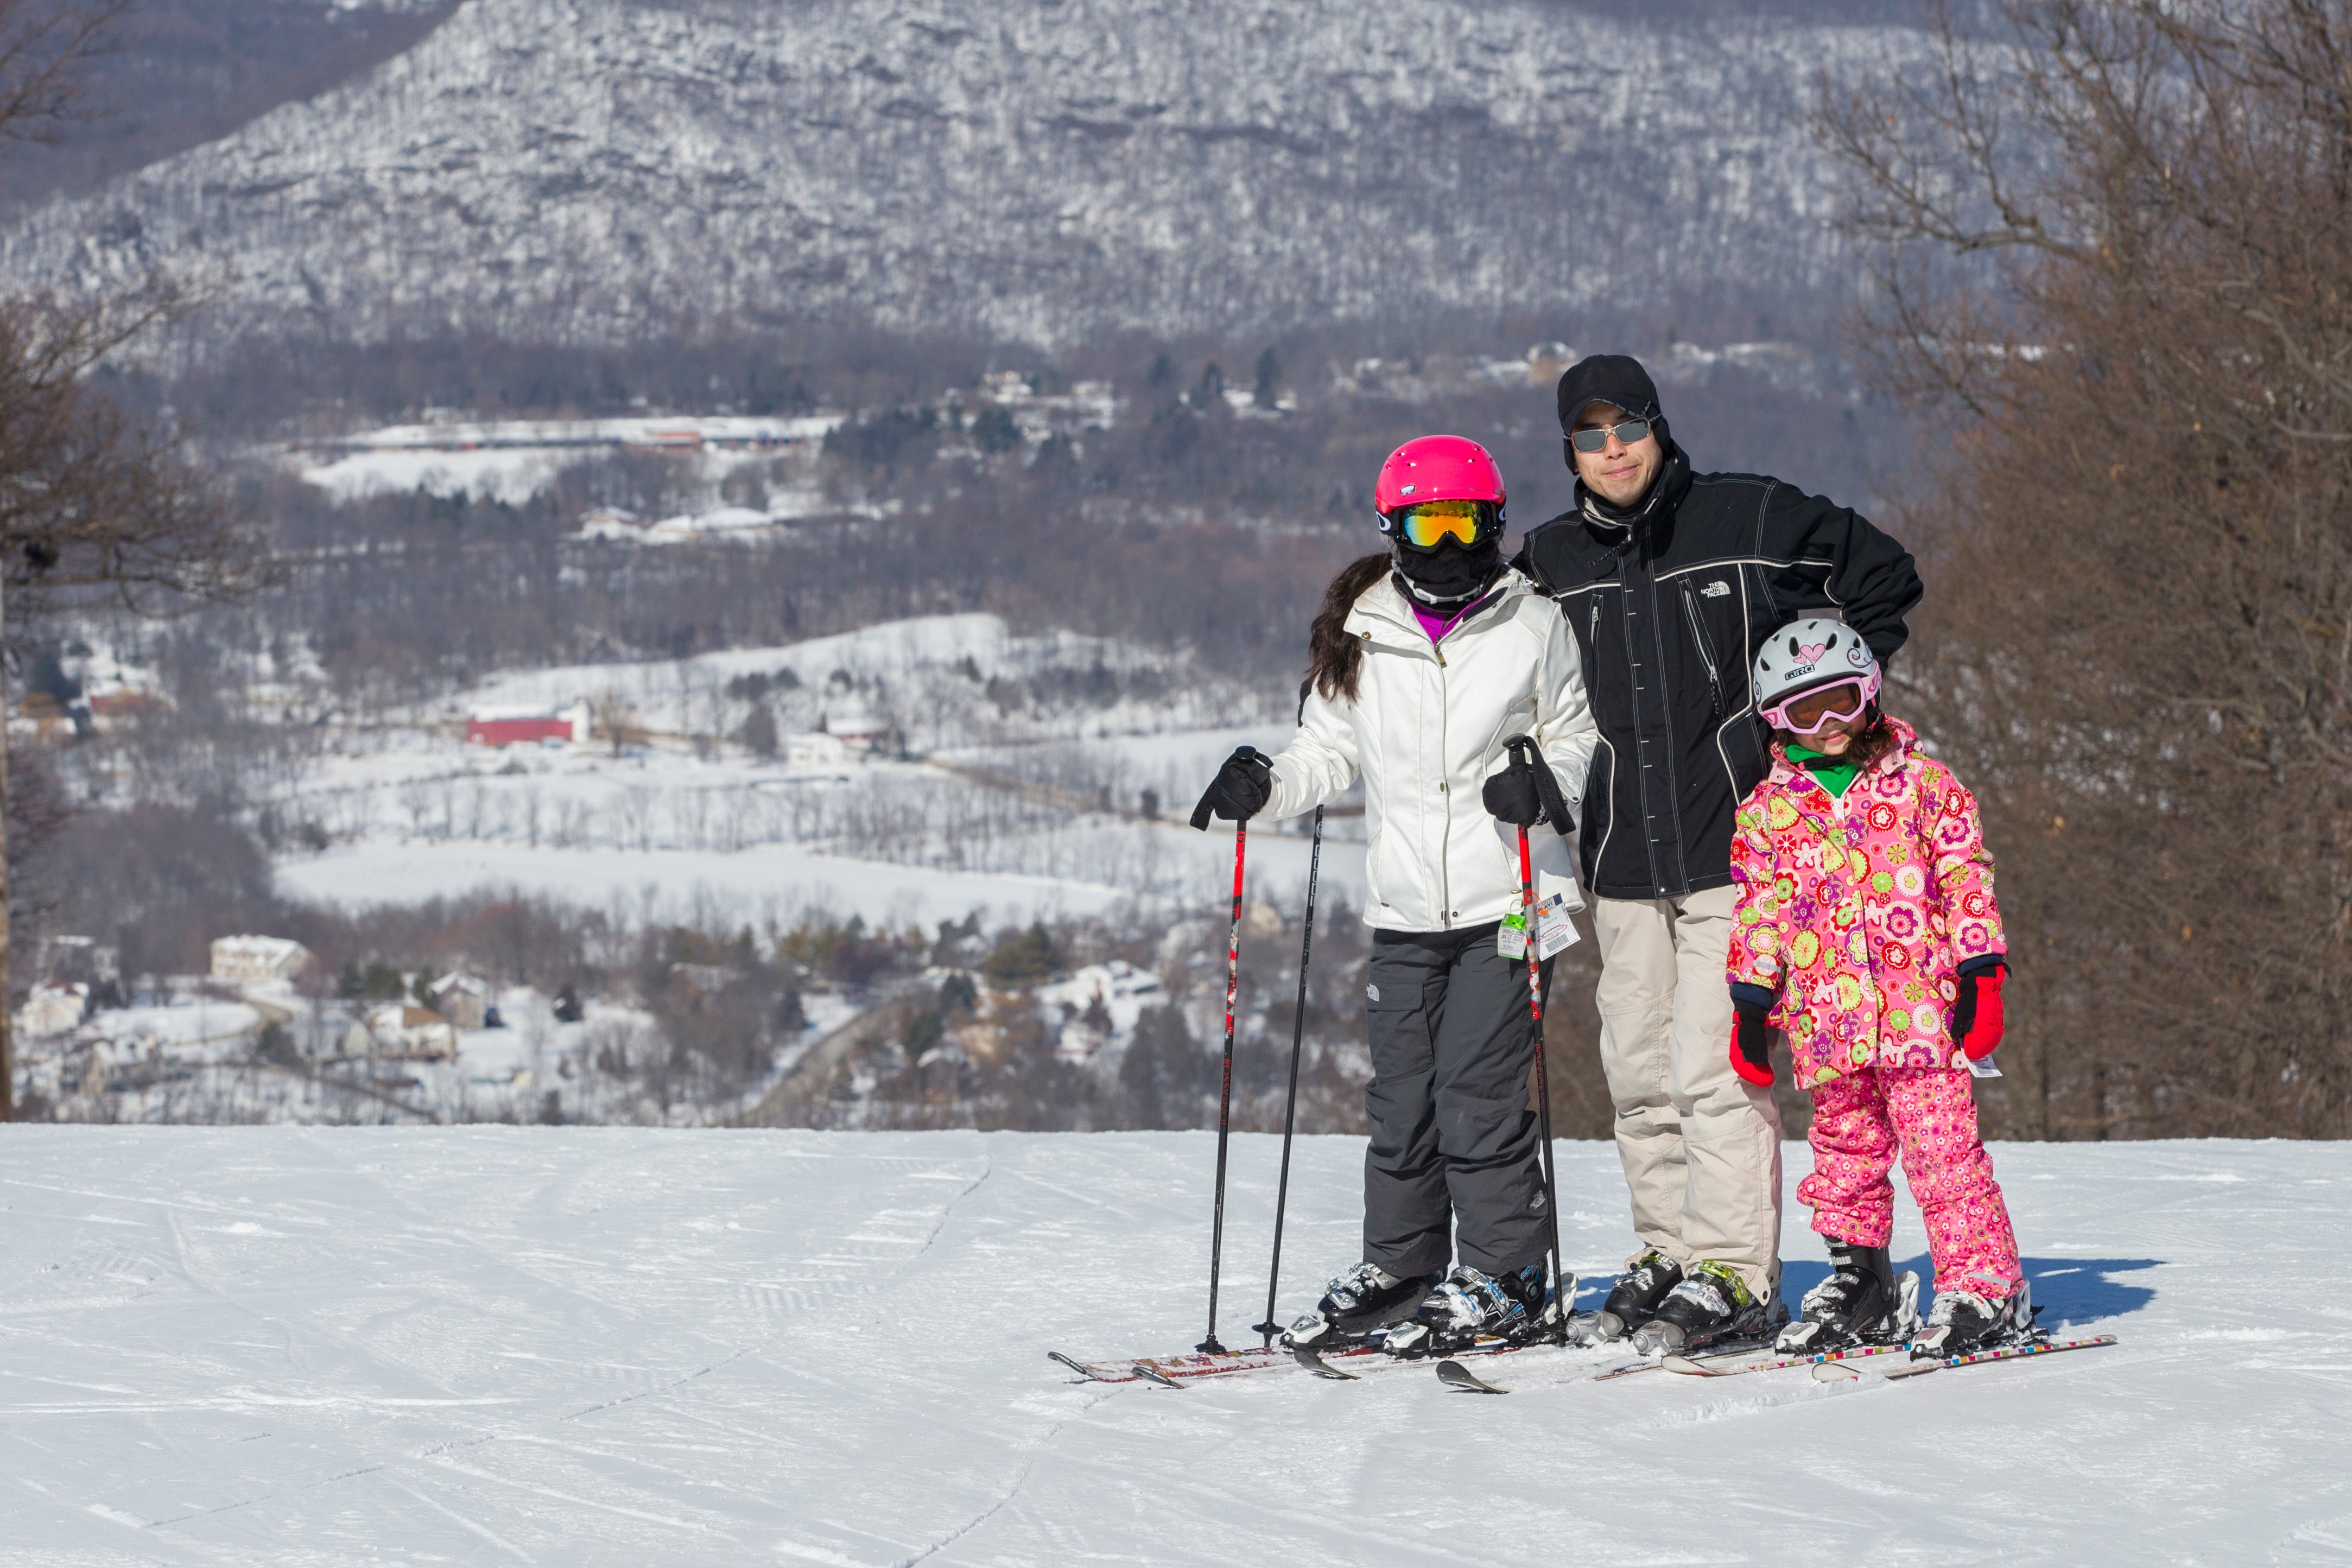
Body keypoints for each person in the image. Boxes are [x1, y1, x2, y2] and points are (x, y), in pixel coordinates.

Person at [1514, 354, 1924, 1353]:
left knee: (1713, 1070)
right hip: (1616, 857)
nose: (1613, 451)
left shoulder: (1748, 518)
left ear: (1658, 427)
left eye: (1628, 429)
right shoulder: (1550, 560)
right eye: (1590, 436)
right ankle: (1667, 1254)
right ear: (1569, 448)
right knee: (1638, 1075)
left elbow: (1883, 576)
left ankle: (1736, 1275)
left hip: (1736, 851)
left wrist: (1821, 714)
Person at [1196, 434, 1597, 1356]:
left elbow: (1578, 735)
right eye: (1429, 522)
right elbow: (1326, 750)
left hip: (1509, 899)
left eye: (1467, 521)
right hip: (1405, 910)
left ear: (1494, 524)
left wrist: (1543, 778)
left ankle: (1503, 1276)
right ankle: (1404, 1265)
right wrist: (1266, 788)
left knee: (1477, 1095)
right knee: (1403, 1098)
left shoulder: (1533, 624)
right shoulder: (1362, 626)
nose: (1450, 542)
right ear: (1395, 527)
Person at [1725, 617, 2030, 1357]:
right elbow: (1759, 908)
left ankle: (1984, 1284)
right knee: (1843, 1157)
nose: (1826, 726)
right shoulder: (1766, 811)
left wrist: (1978, 971)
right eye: (1804, 712)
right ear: (1775, 718)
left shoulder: (1926, 786)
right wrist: (1750, 998)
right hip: (1828, 1026)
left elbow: (1964, 879)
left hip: (1919, 1015)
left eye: (1840, 702)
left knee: (1944, 1156)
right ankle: (1862, 1280)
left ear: (1869, 693)